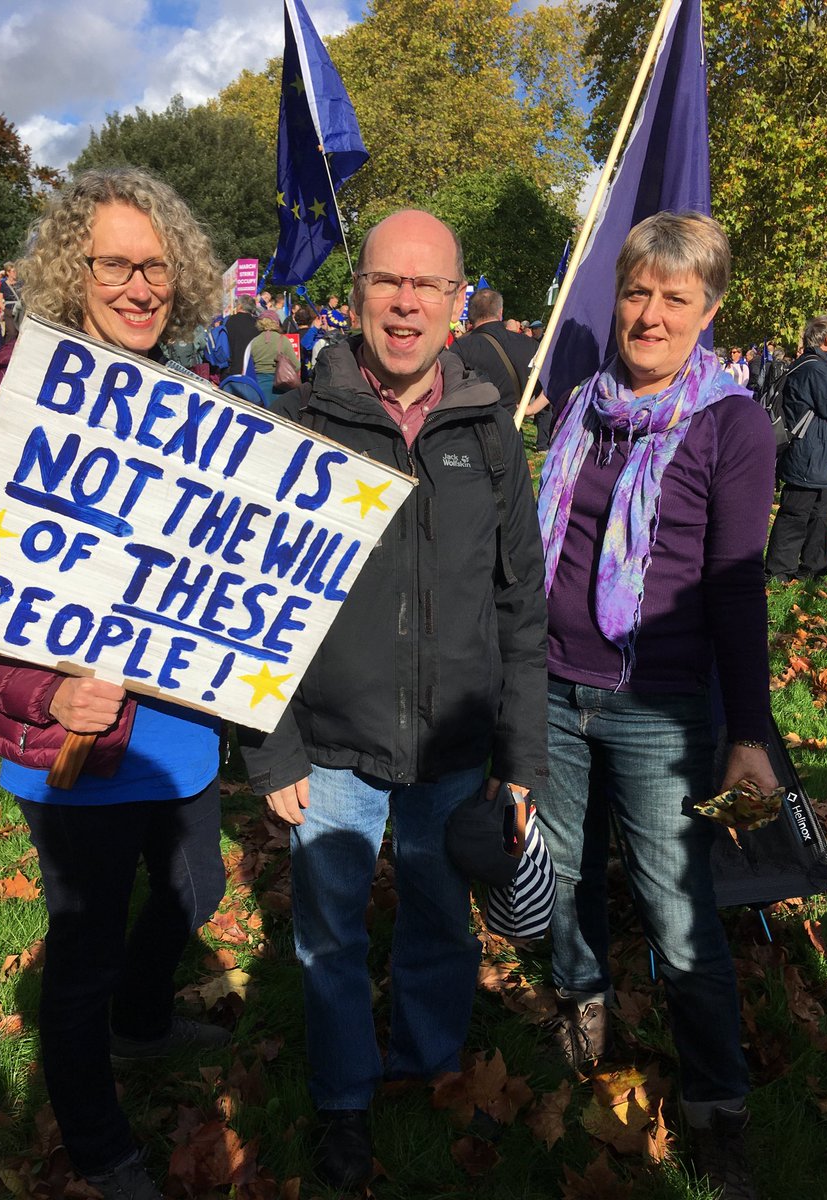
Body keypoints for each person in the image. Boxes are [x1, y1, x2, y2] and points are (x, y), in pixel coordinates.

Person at [240, 208, 548, 1191]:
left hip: (454, 747)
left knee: (438, 920)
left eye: (429, 286)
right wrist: (272, 749)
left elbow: (521, 610)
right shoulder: (302, 425)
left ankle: (427, 1061)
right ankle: (343, 1098)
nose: (407, 302)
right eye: (387, 282)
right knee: (327, 932)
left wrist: (521, 760)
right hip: (330, 744)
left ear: (458, 303)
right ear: (360, 293)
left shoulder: (490, 432)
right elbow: (251, 606)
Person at [0, 167, 230, 1200]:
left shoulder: (202, 406)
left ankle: (146, 1025)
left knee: (198, 886)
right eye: (115, 263)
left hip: (183, 731)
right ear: (73, 271)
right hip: (72, 742)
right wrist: (43, 696)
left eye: (157, 266)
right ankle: (99, 1140)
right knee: (85, 946)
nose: (140, 286)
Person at [535, 211, 777, 1200]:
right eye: (638, 291)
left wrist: (750, 734)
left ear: (709, 311)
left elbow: (734, 580)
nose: (651, 313)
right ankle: (583, 1005)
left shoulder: (733, 422)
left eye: (677, 298)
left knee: (681, 916)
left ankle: (719, 1102)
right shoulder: (581, 405)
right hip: (552, 688)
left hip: (660, 704)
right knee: (562, 875)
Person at [764, 315, 827, 582]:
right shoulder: (814, 369)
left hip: (818, 453)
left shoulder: (821, 367)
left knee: (823, 513)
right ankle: (778, 571)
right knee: (795, 513)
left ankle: (813, 570)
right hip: (807, 454)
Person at [452, 287, 540, 414]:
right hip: (512, 425)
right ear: (500, 312)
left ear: (471, 313)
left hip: (470, 427)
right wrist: (533, 408)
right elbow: (553, 380)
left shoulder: (461, 347)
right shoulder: (529, 344)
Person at [248, 308, 300, 397]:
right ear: (276, 323)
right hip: (279, 385)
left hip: (258, 384)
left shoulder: (254, 341)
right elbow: (297, 365)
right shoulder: (283, 340)